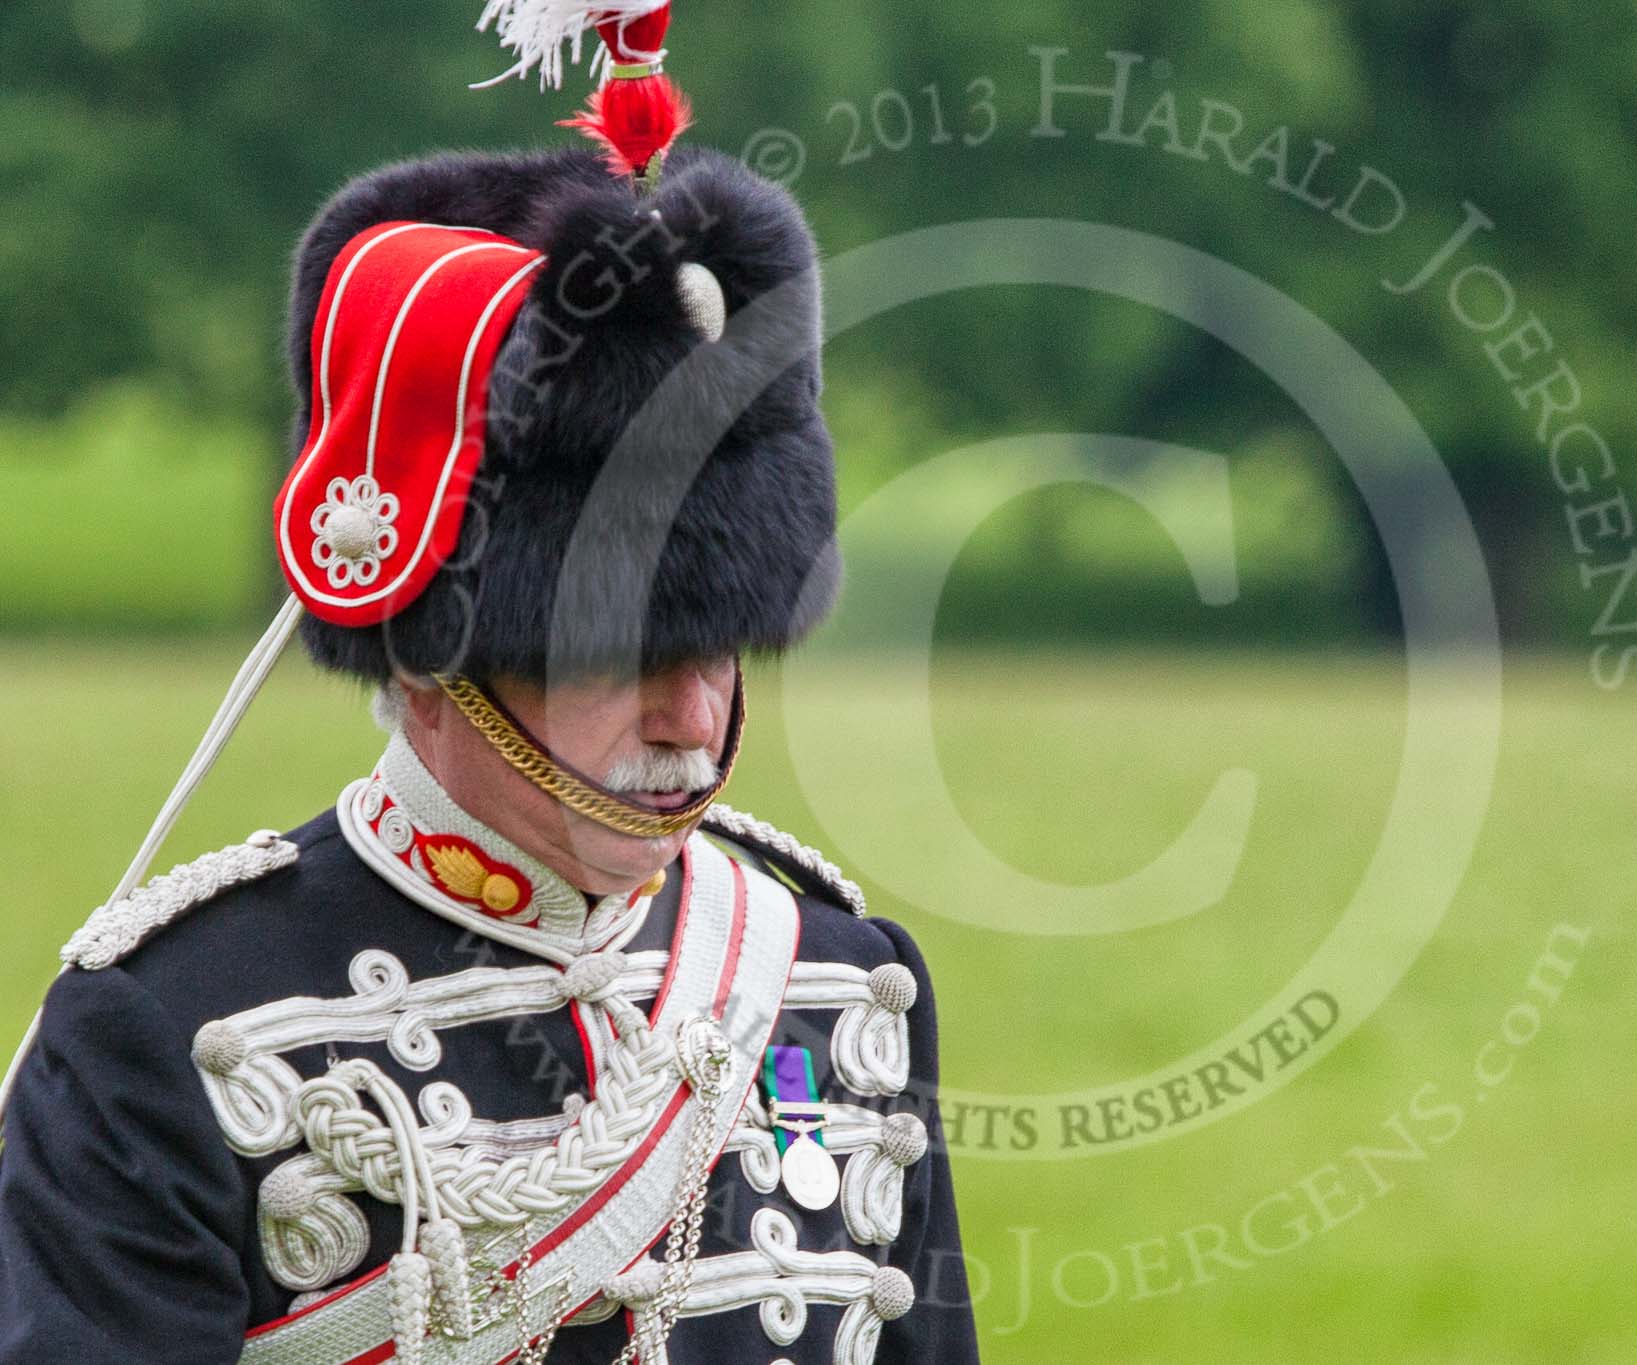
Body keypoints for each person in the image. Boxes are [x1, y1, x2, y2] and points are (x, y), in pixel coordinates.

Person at [0, 4, 978, 1361]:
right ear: (426, 653)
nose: (693, 722)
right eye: (616, 657)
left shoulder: (836, 973)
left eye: (720, 645)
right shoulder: (166, 1026)